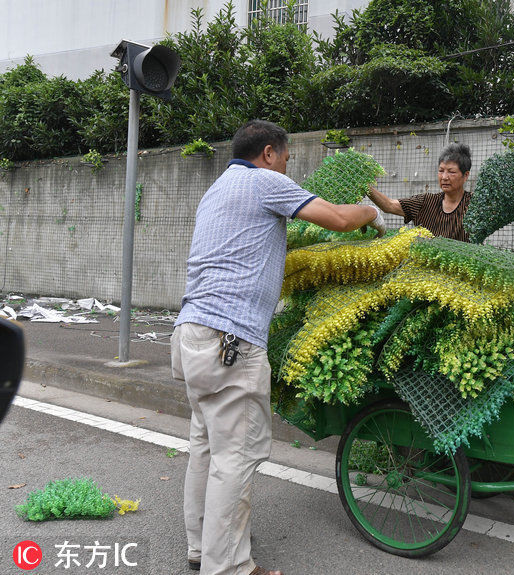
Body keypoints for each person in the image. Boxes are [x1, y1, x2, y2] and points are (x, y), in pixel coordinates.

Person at [171, 119, 384, 575]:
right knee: (237, 455)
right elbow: (341, 220)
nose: (288, 167)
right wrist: (372, 214)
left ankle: (200, 548)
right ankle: (229, 568)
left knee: (205, 446)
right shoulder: (265, 181)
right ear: (269, 153)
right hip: (231, 340)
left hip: (191, 334)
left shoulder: (216, 191)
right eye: (287, 158)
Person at [366, 142, 472, 242]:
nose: (444, 177)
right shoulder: (425, 202)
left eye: (451, 172)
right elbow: (389, 205)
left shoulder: (474, 204)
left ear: (465, 175)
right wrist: (365, 186)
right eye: (441, 171)